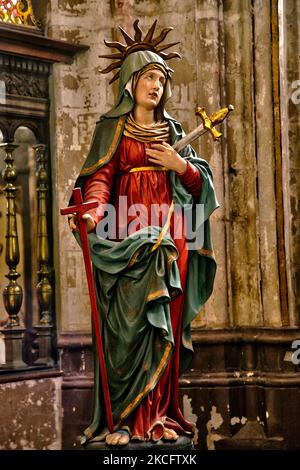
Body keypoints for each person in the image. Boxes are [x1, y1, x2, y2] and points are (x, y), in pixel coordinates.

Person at [69, 31, 218, 447]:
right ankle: (124, 419)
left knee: (162, 328)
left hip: (169, 239)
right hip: (125, 236)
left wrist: (179, 165)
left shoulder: (173, 130)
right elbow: (98, 180)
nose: (157, 85)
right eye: (150, 77)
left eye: (162, 79)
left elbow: (197, 190)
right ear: (130, 82)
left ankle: (158, 416)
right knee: (126, 329)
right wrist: (94, 211)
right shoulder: (111, 129)